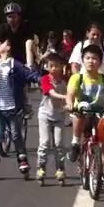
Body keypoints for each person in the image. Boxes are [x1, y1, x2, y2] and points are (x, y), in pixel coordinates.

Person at [67, 43, 104, 186]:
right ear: (82, 60)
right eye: (87, 58)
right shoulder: (77, 78)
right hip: (82, 112)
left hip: (101, 112)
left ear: (100, 62)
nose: (91, 61)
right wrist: (70, 104)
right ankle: (75, 142)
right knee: (79, 114)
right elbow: (70, 94)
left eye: (94, 58)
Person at [0, 39, 37, 177]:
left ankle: (22, 158)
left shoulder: (14, 65)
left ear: (8, 47)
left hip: (13, 107)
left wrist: (42, 80)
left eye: (1, 43)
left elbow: (28, 74)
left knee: (16, 135)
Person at [37, 53, 70, 182]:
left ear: (62, 66)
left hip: (59, 115)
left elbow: (72, 92)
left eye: (57, 66)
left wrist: (70, 104)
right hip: (45, 114)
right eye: (51, 66)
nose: (54, 69)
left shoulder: (66, 80)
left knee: (59, 144)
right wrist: (65, 97)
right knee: (44, 143)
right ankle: (41, 166)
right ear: (47, 67)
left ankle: (60, 168)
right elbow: (51, 92)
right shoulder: (45, 79)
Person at [0, 2, 37, 68]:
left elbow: (29, 47)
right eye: (9, 17)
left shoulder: (26, 27)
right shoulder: (3, 28)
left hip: (25, 60)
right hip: (10, 61)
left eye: (14, 17)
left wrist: (29, 66)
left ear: (19, 17)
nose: (12, 19)